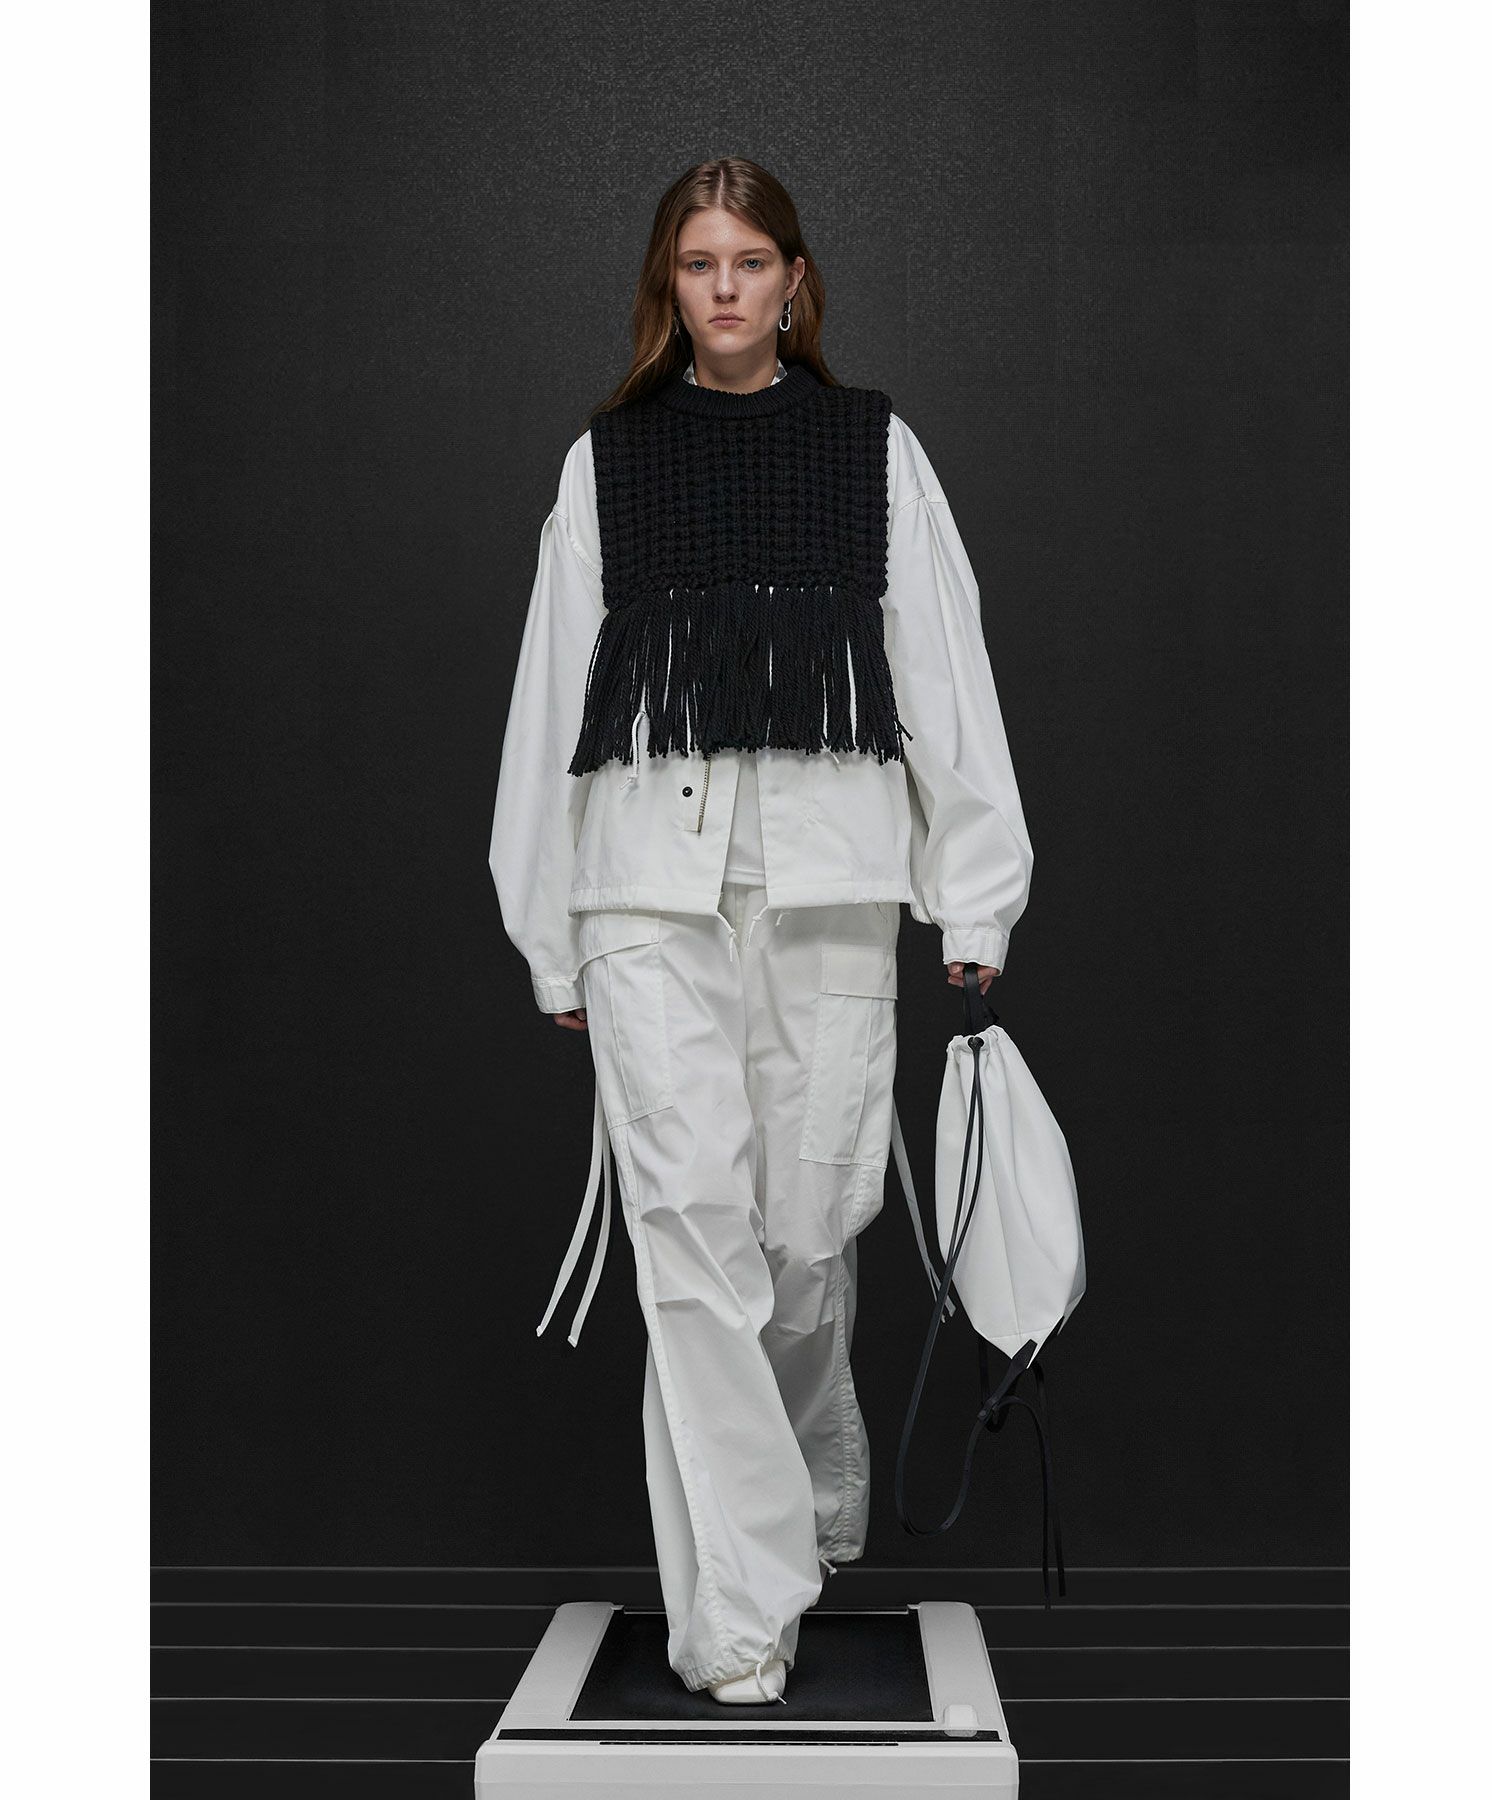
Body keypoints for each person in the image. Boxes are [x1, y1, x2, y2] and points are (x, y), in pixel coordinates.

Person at [488, 157, 1033, 1705]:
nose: (723, 288)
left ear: (795, 278)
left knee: (807, 1233)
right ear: (667, 286)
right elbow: (549, 706)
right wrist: (547, 931)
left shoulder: (873, 452)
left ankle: (796, 1511)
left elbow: (943, 675)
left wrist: (975, 893)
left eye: (748, 261)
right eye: (696, 263)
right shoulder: (607, 464)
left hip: (830, 885)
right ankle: (741, 1615)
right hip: (641, 895)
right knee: (686, 1233)